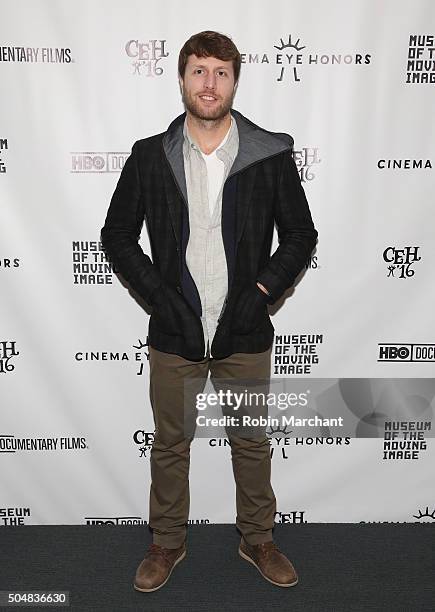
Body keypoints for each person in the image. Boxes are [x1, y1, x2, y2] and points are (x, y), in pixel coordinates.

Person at [101, 30, 317, 592]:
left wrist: (262, 291)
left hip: (243, 327)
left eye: (221, 72)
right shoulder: (151, 155)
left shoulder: (268, 152)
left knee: (251, 441)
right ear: (181, 78)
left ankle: (258, 539)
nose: (209, 83)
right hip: (176, 329)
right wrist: (161, 298)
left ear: (235, 81)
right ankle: (167, 543)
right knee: (170, 443)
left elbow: (299, 234)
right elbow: (118, 235)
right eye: (199, 71)